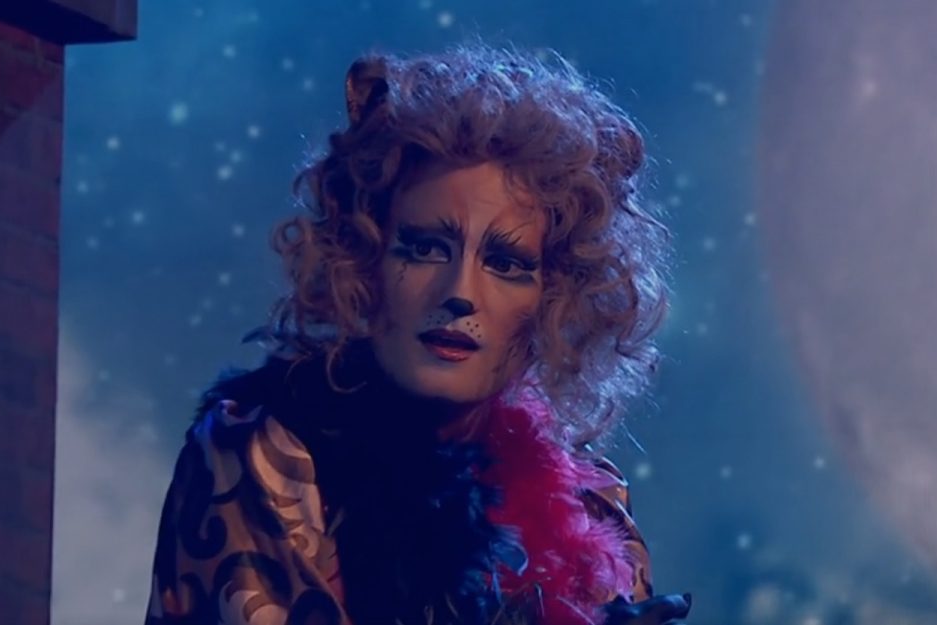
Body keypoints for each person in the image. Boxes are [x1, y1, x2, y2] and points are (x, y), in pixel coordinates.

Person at [144, 44, 691, 625]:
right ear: (364, 262)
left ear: (554, 298)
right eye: (425, 249)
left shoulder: (593, 507)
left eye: (506, 263)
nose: (460, 292)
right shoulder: (264, 453)